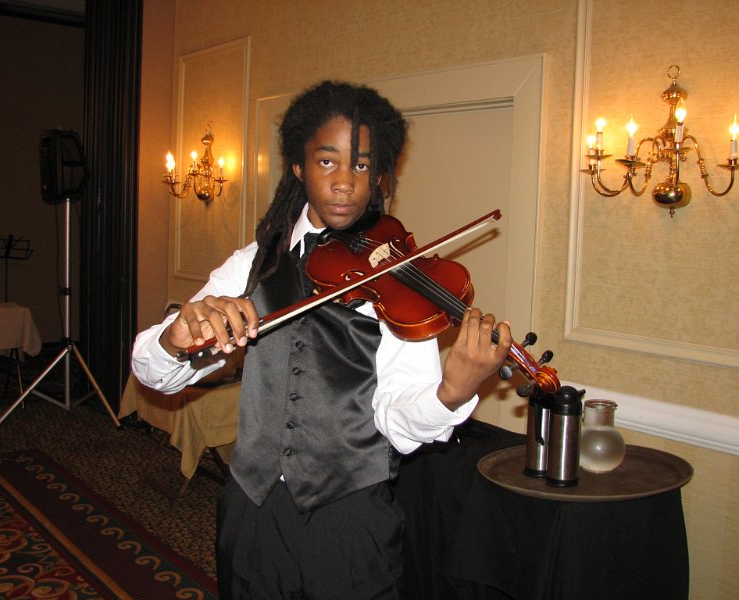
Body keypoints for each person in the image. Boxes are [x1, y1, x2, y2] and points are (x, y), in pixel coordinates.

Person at [132, 80, 512, 599]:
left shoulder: (397, 279)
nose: (344, 184)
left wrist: (454, 391)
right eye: (327, 161)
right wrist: (177, 338)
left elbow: (398, 424)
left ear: (379, 175)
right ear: (298, 166)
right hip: (252, 509)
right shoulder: (254, 263)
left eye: (361, 166)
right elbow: (152, 372)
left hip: (351, 519)